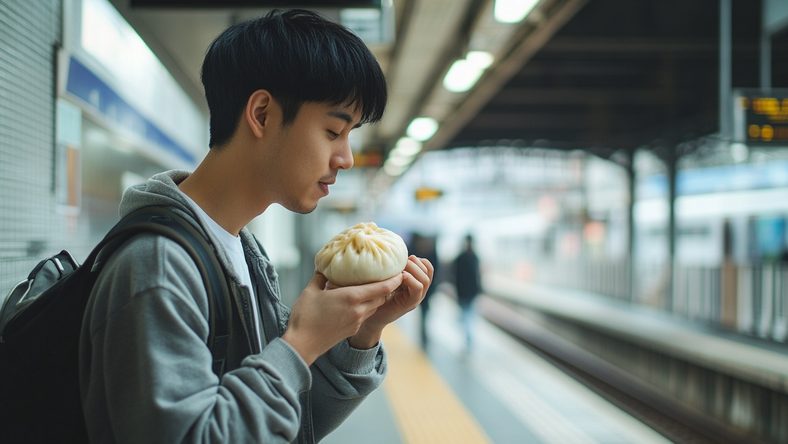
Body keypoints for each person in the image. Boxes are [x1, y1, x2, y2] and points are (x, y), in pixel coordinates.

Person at [79, 10, 434, 444]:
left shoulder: (242, 253)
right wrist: (299, 345)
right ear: (262, 114)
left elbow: (293, 424)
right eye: (333, 131)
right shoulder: (158, 268)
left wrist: (363, 333)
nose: (346, 158)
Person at [409, 233, 439, 348]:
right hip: (424, 289)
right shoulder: (431, 251)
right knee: (424, 312)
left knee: (424, 313)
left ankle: (423, 333)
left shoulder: (416, 249)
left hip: (426, 289)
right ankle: (423, 333)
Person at [453, 234, 481, 350]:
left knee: (466, 316)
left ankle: (468, 340)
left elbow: (456, 277)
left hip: (464, 293)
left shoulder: (460, 258)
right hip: (470, 292)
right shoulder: (474, 257)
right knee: (468, 316)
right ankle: (468, 340)